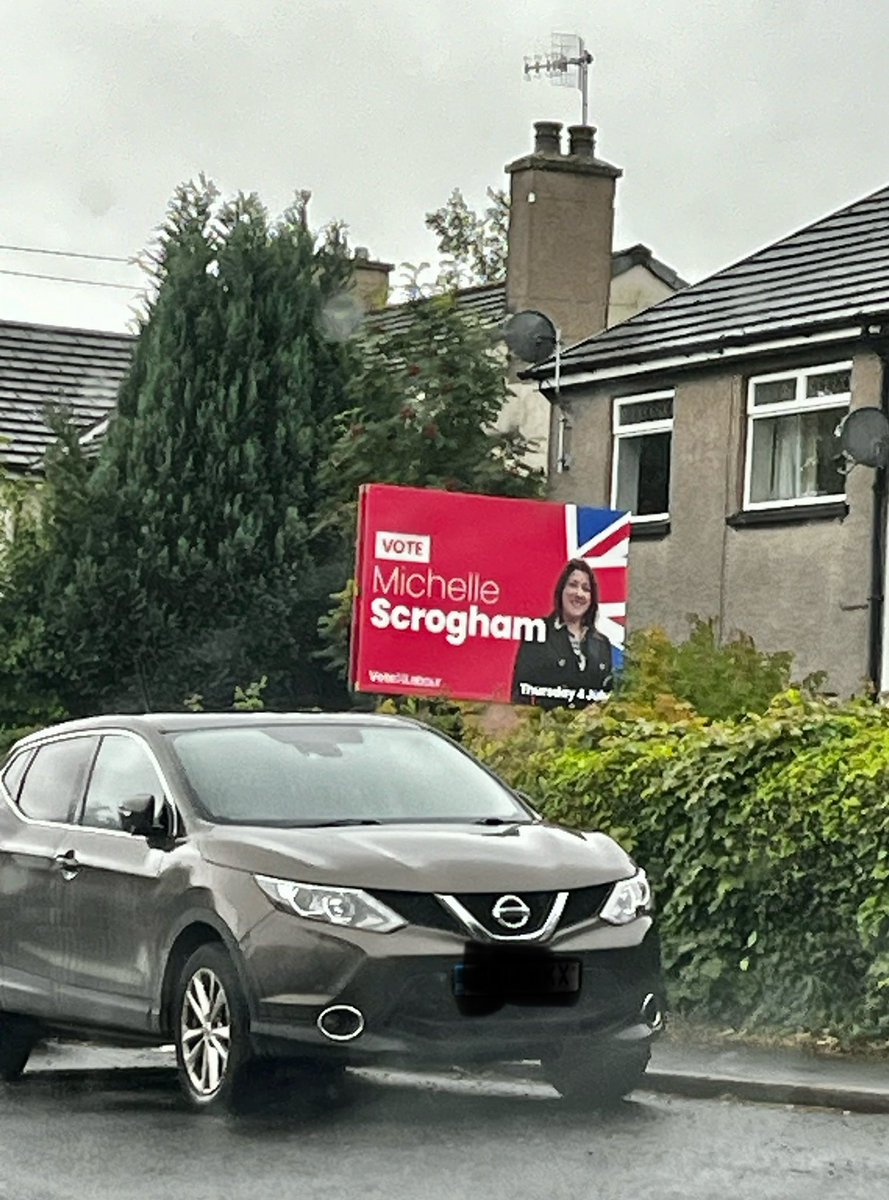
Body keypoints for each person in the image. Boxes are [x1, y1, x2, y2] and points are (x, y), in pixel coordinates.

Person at [510, 558, 614, 710]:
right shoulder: (538, 630)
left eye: (586, 589)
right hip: (545, 727)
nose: (579, 594)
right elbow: (520, 693)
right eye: (573, 585)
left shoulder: (602, 643)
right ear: (561, 591)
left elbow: (607, 698)